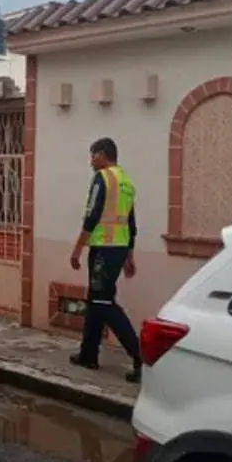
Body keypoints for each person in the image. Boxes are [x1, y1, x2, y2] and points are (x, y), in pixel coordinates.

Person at [68, 137, 143, 383]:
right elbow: (130, 224)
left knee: (103, 302)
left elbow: (92, 215)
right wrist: (128, 256)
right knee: (96, 299)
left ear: (103, 155)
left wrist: (78, 249)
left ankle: (140, 355)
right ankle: (88, 354)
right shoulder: (126, 182)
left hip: (102, 249)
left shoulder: (103, 179)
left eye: (92, 155)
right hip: (118, 248)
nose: (91, 160)